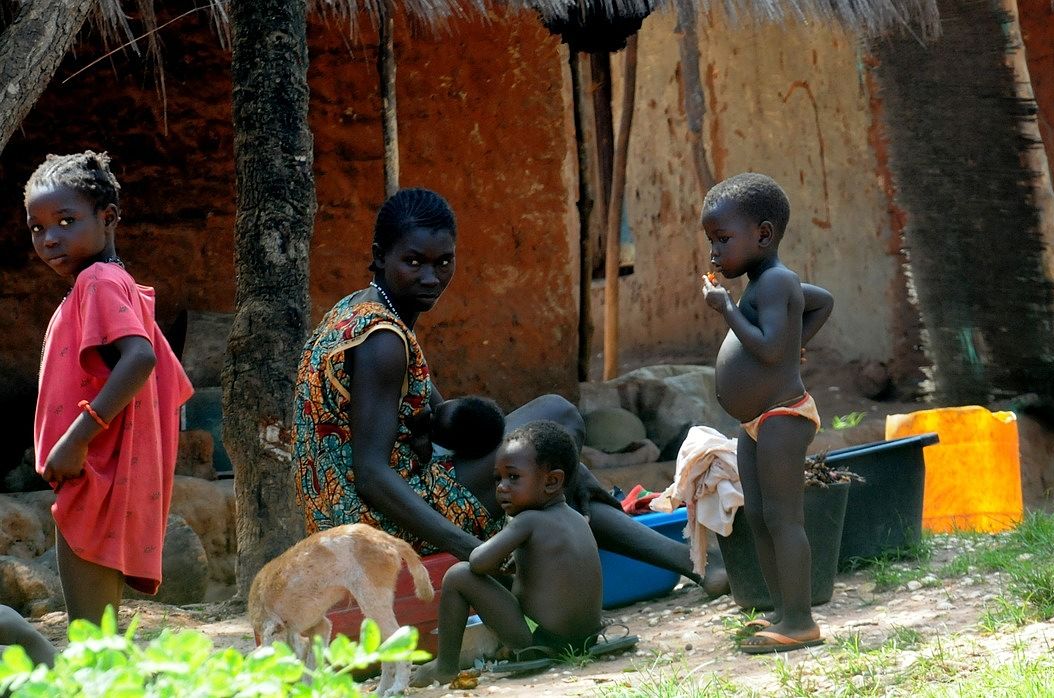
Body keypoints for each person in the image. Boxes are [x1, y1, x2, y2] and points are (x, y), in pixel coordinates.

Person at [292, 187, 728, 595]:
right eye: (414, 262)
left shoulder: (364, 310)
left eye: (443, 262)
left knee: (546, 460)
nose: (430, 276)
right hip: (372, 525)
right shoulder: (382, 338)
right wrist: (468, 548)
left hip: (358, 515)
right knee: (557, 418)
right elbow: (370, 475)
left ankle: (695, 564)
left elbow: (439, 415)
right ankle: (692, 564)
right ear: (379, 256)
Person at [24, 151, 194, 623]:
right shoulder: (110, 282)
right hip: (98, 475)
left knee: (90, 638)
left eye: (65, 220)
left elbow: (141, 358)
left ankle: (23, 638)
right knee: (98, 632)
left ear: (108, 217)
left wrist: (76, 439)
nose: (49, 237)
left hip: (92, 476)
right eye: (37, 227)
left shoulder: (98, 281)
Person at [700, 172, 833, 654]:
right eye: (711, 241)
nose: (715, 252)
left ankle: (800, 620)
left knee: (783, 518)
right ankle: (782, 612)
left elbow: (771, 350)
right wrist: (796, 339)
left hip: (783, 415)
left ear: (763, 234)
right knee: (757, 516)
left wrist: (727, 308)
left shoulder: (774, 282)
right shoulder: (771, 283)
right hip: (756, 421)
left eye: (723, 239)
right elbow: (821, 303)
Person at [412, 421, 603, 686]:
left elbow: (477, 562)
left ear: (551, 481)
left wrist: (493, 557)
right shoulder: (578, 520)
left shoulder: (529, 521)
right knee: (502, 577)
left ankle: (445, 666)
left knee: (458, 575)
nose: (501, 487)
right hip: (586, 638)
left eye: (513, 477)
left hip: (542, 641)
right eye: (498, 478)